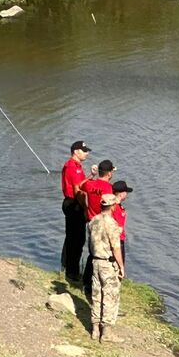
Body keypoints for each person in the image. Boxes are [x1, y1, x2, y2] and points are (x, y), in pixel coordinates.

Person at [88, 194, 126, 343]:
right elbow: (116, 248)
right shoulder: (112, 224)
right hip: (107, 263)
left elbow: (90, 243)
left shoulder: (93, 221)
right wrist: (121, 266)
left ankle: (95, 328)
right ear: (112, 206)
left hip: (95, 261)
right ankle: (107, 332)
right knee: (110, 296)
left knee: (96, 294)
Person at [81, 160, 116, 295]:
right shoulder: (109, 189)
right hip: (103, 223)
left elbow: (80, 185)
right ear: (109, 173)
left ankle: (86, 282)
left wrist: (91, 175)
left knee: (92, 252)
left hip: (91, 222)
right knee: (103, 255)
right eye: (112, 171)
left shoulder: (91, 184)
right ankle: (96, 283)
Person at [62, 141, 92, 283]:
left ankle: (67, 266)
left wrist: (91, 176)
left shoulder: (77, 166)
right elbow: (77, 190)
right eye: (84, 150)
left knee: (73, 237)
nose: (87, 153)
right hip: (74, 204)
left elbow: (81, 184)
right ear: (76, 151)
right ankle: (72, 272)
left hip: (73, 203)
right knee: (77, 239)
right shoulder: (73, 167)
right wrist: (86, 210)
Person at [111, 180, 134, 266]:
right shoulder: (116, 207)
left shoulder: (114, 205)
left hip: (116, 238)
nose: (127, 194)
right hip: (117, 239)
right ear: (121, 194)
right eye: (126, 192)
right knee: (118, 263)